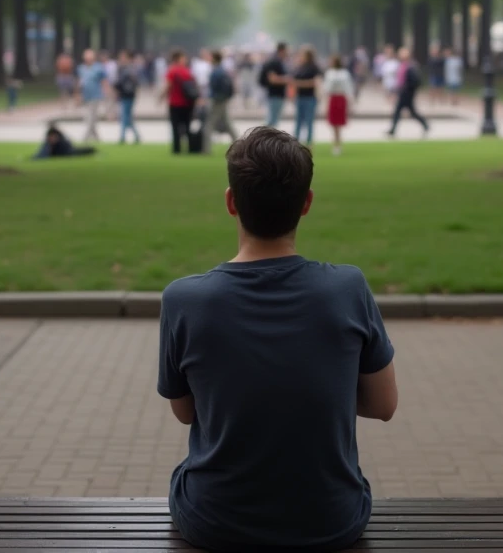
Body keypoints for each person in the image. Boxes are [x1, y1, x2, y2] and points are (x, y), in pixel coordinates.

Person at [159, 126, 397, 553]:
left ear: (231, 203)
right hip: (331, 520)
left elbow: (185, 412)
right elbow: (383, 405)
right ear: (306, 204)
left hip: (215, 522)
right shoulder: (348, 288)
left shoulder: (184, 300)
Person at [387, 48, 429, 137]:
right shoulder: (403, 66)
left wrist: (408, 89)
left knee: (399, 111)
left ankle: (393, 129)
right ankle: (425, 125)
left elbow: (414, 81)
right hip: (403, 91)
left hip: (407, 92)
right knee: (409, 111)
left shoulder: (410, 67)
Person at [164, 49, 198, 154]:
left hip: (175, 103)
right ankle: (191, 148)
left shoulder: (172, 71)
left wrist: (161, 97)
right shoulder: (187, 71)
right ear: (178, 59)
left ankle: (176, 149)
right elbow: (194, 85)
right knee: (187, 127)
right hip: (188, 103)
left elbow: (168, 86)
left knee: (175, 128)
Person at [204, 51, 238, 152]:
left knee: (209, 125)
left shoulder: (216, 72)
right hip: (223, 99)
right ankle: (238, 145)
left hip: (217, 100)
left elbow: (212, 87)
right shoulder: (223, 71)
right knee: (227, 124)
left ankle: (206, 149)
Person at [323, 55, 355, 155]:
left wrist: (351, 102)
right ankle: (336, 143)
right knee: (333, 123)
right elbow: (326, 89)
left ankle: (337, 143)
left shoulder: (344, 73)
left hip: (340, 98)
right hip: (333, 98)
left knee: (338, 123)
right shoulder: (329, 73)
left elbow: (348, 88)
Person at [76, 49, 107, 143]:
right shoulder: (81, 68)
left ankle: (85, 138)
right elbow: (79, 82)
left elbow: (104, 81)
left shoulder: (99, 68)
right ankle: (97, 138)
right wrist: (77, 95)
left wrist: (107, 93)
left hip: (95, 95)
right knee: (90, 118)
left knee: (90, 118)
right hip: (86, 95)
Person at [293, 45, 321, 146]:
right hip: (300, 97)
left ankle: (309, 143)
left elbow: (316, 82)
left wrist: (301, 83)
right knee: (298, 121)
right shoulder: (299, 67)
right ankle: (295, 142)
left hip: (310, 97)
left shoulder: (314, 67)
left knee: (309, 121)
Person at [259, 42, 289, 128]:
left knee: (273, 120)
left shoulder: (277, 61)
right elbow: (272, 79)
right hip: (275, 94)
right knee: (272, 120)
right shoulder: (274, 62)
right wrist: (287, 79)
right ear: (282, 50)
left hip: (276, 94)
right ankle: (265, 139)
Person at [115, 50, 141, 144]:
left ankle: (122, 136)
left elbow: (121, 82)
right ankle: (135, 135)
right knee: (127, 117)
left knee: (125, 117)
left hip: (128, 95)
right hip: (125, 94)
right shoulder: (125, 68)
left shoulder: (129, 69)